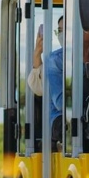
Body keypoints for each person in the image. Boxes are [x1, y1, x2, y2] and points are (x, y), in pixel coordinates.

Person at [27, 15, 64, 146]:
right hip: (61, 120)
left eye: (67, 29)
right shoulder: (55, 60)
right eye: (60, 30)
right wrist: (37, 53)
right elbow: (61, 104)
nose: (62, 34)